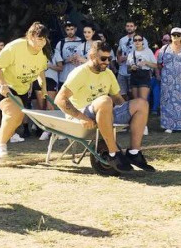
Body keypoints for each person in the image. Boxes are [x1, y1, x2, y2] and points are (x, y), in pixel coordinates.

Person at [54, 41, 155, 173]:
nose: (107, 62)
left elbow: (118, 98)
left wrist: (128, 112)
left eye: (109, 59)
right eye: (103, 58)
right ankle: (113, 153)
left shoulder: (108, 73)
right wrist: (82, 117)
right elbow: (60, 99)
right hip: (82, 115)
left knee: (142, 103)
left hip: (105, 112)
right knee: (105, 100)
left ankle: (134, 152)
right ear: (92, 56)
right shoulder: (80, 73)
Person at [0, 23, 49, 162]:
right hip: (1, 85)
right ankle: (1, 145)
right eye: (39, 38)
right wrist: (2, 84)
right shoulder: (15, 47)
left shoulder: (42, 54)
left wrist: (43, 88)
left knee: (14, 120)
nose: (42, 42)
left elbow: (41, 71)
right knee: (13, 113)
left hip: (22, 89)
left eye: (44, 39)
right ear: (30, 36)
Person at [126, 34, 157, 121]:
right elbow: (128, 69)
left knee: (143, 101)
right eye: (135, 40)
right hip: (134, 76)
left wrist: (146, 62)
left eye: (139, 40)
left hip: (144, 75)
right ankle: (136, 122)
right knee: (135, 101)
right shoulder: (131, 53)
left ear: (143, 41)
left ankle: (144, 124)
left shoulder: (148, 51)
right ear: (133, 42)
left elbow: (156, 65)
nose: (137, 42)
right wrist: (131, 67)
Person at [117, 21, 146, 99]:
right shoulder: (122, 40)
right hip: (122, 71)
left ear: (135, 27)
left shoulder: (140, 39)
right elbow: (119, 51)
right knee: (121, 94)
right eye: (127, 26)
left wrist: (128, 58)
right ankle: (124, 110)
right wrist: (119, 59)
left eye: (131, 26)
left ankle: (133, 110)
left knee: (133, 94)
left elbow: (145, 54)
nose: (129, 28)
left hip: (134, 71)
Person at [53, 21, 84, 88]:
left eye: (72, 29)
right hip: (64, 78)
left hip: (79, 76)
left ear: (75, 29)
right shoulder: (61, 43)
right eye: (67, 30)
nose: (70, 32)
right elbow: (57, 63)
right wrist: (67, 60)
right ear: (65, 30)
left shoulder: (82, 42)